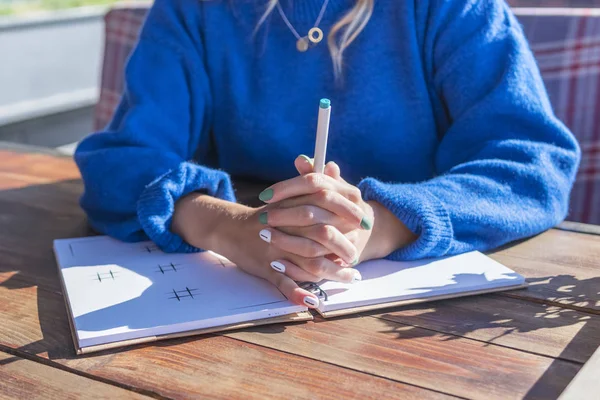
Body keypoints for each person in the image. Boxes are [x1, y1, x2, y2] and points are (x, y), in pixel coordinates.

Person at [74, 0, 580, 308]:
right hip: (237, 306)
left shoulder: (448, 9)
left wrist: (369, 227)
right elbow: (120, 162)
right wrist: (226, 227)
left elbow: (531, 162)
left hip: (412, 318)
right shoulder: (195, 12)